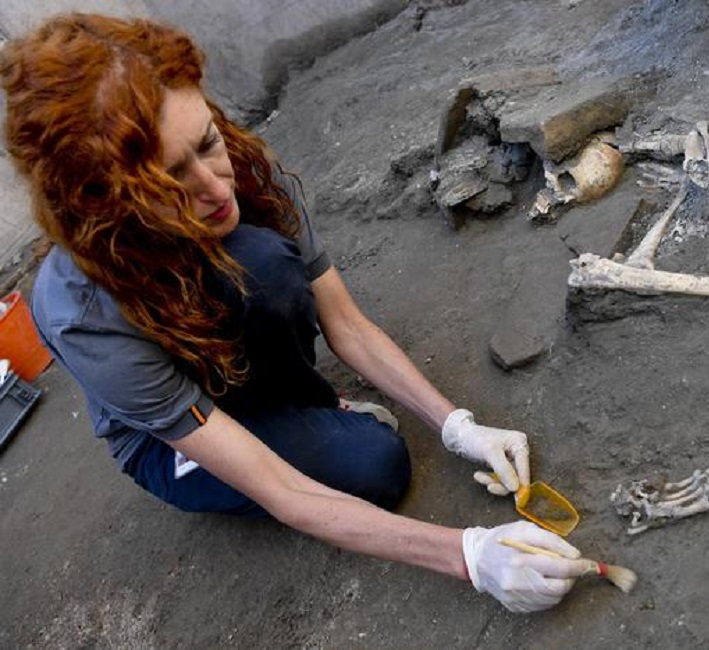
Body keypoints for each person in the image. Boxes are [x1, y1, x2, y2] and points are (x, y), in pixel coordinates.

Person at [1, 13, 591, 613]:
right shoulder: (84, 310)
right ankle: (272, 432)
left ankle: (294, 410)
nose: (214, 188)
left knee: (264, 262)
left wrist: (457, 425)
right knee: (376, 465)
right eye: (169, 183)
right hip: (166, 438)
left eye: (206, 143)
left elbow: (346, 323)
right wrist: (470, 556)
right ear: (107, 204)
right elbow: (281, 491)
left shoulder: (243, 175)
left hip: (219, 340)